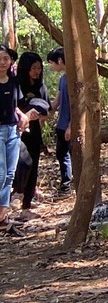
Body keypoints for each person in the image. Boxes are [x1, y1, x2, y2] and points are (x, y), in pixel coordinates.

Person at [15, 51, 50, 219]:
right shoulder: (16, 85)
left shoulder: (41, 87)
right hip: (17, 133)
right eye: (33, 68)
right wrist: (24, 115)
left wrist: (39, 115)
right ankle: (15, 194)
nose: (37, 71)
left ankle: (26, 207)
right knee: (22, 163)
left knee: (33, 166)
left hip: (34, 133)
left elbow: (47, 111)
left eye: (39, 68)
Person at [0, 47, 31, 237]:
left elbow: (15, 105)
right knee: (1, 173)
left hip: (12, 131)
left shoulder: (13, 82)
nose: (2, 62)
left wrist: (22, 116)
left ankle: (2, 216)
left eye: (5, 58)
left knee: (10, 174)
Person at [47, 47, 72, 196]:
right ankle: (66, 184)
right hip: (61, 124)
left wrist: (71, 125)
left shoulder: (74, 80)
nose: (51, 66)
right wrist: (45, 111)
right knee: (61, 154)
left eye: (52, 63)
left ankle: (67, 186)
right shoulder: (62, 79)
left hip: (70, 125)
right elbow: (57, 101)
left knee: (67, 155)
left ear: (60, 61)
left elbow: (78, 106)